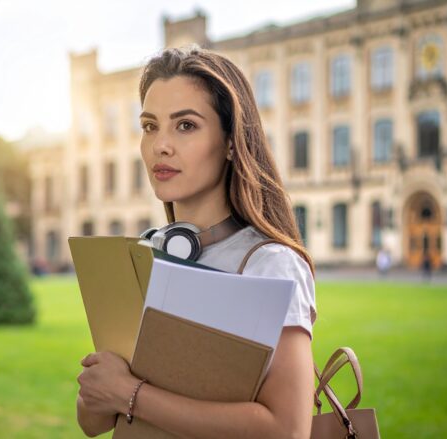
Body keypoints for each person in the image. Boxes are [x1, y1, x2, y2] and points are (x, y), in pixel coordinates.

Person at [76, 47, 317, 438]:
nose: (161, 145)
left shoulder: (270, 264)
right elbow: (94, 421)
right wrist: (100, 391)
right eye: (150, 126)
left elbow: (287, 430)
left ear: (231, 143)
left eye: (185, 125)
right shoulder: (142, 253)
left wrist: (130, 394)